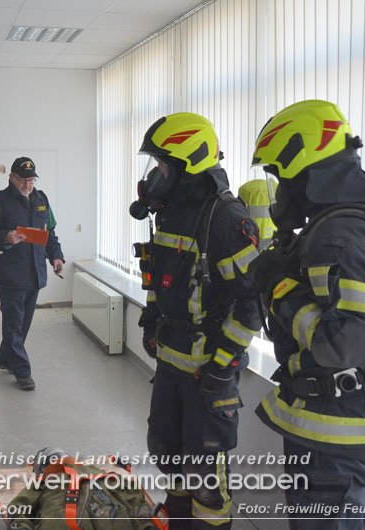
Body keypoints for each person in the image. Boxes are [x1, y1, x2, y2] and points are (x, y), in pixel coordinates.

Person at [248, 99, 365, 529]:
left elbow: (346, 342)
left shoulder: (341, 235)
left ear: (308, 169)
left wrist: (279, 289)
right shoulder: (339, 226)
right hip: (328, 427)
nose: (279, 189)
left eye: (281, 176)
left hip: (334, 435)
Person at [133, 112, 261, 529]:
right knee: (170, 456)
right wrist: (151, 319)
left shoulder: (225, 218)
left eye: (163, 166)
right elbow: (161, 278)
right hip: (171, 364)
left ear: (188, 165)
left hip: (209, 375)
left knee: (206, 477)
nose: (156, 176)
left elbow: (251, 301)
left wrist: (223, 365)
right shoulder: (171, 213)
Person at [0, 157, 65, 391]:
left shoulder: (41, 199)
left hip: (36, 273)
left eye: (31, 179)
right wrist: (6, 236)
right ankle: (22, 371)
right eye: (23, 179)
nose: (28, 184)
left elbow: (49, 233)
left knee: (23, 323)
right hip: (12, 275)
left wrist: (56, 256)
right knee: (14, 323)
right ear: (11, 178)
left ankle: (5, 358)